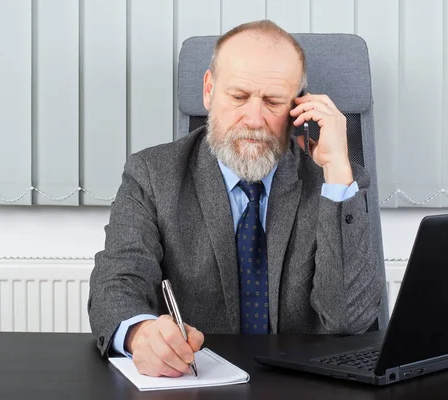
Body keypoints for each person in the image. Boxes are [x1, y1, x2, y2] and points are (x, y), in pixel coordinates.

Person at [88, 19, 383, 378]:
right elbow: (116, 283)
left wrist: (337, 173)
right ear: (209, 90)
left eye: (273, 102)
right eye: (239, 97)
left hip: (303, 386)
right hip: (194, 381)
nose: (254, 119)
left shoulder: (333, 180)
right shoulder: (152, 174)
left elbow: (349, 321)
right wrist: (139, 333)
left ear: (297, 107)